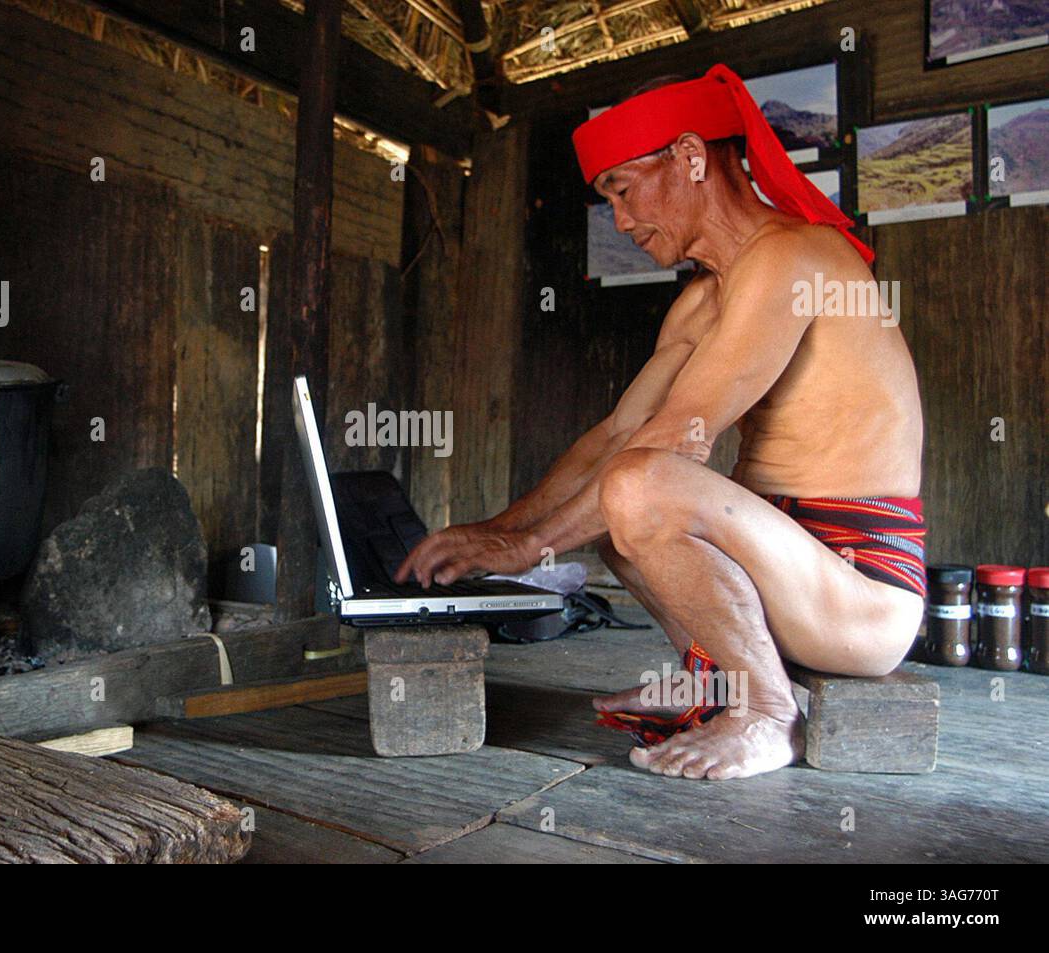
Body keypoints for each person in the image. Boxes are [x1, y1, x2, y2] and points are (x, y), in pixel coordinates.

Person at [395, 65, 926, 781]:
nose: (619, 220)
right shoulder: (705, 300)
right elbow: (619, 434)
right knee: (619, 497)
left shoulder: (793, 257)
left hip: (862, 599)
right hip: (793, 577)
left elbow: (676, 440)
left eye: (622, 188)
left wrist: (530, 547)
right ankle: (717, 683)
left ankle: (766, 711)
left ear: (690, 156)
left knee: (640, 489)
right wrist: (500, 532)